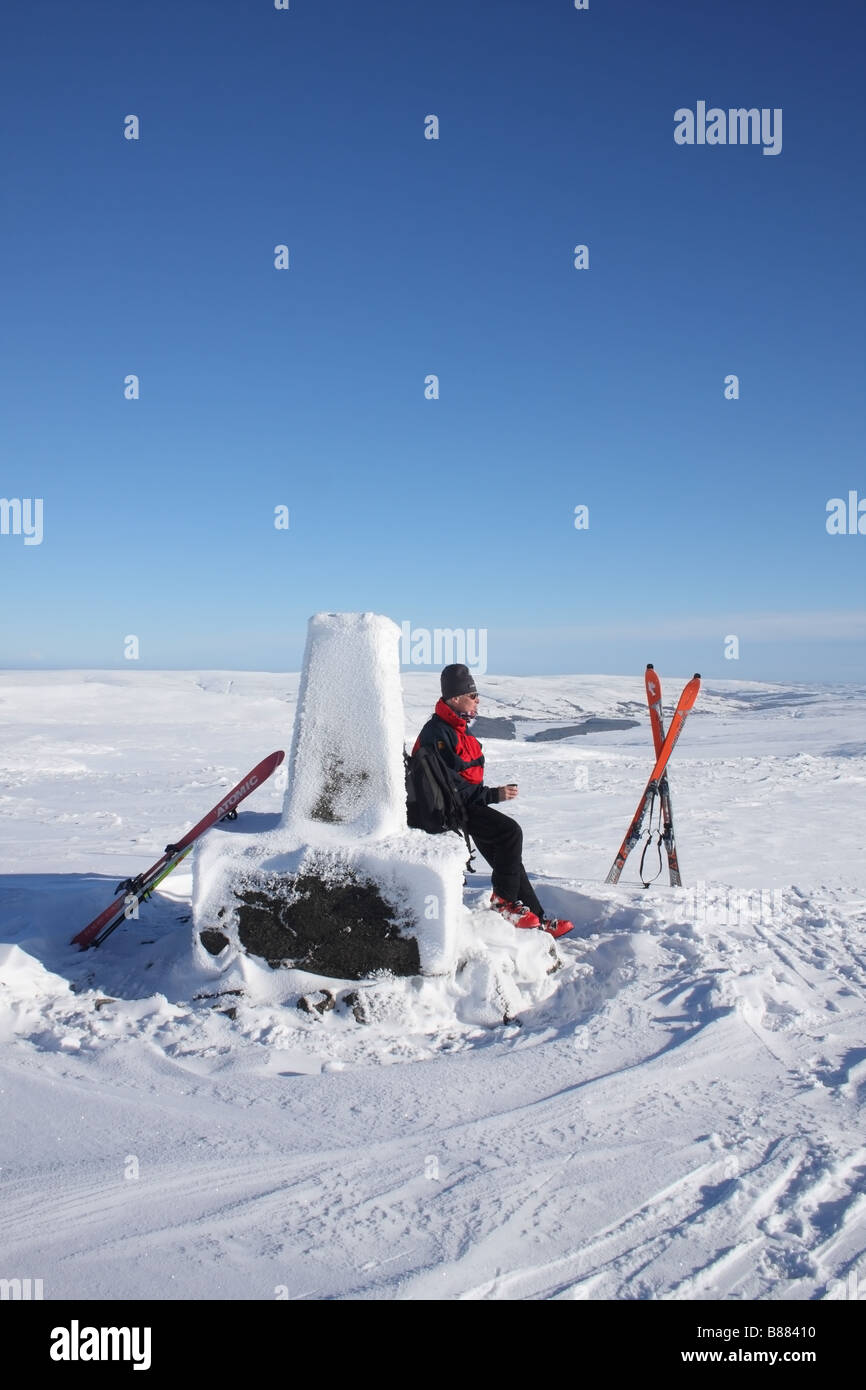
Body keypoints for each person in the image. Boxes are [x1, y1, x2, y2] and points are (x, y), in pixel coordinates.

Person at [413, 664, 573, 938]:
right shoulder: (437, 733)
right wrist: (492, 795)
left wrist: (486, 795)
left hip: (466, 804)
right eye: (472, 695)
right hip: (450, 811)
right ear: (454, 698)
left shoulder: (456, 728)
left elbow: (463, 781)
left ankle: (539, 920)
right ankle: (505, 904)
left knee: (508, 861)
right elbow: (448, 788)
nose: (478, 700)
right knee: (510, 832)